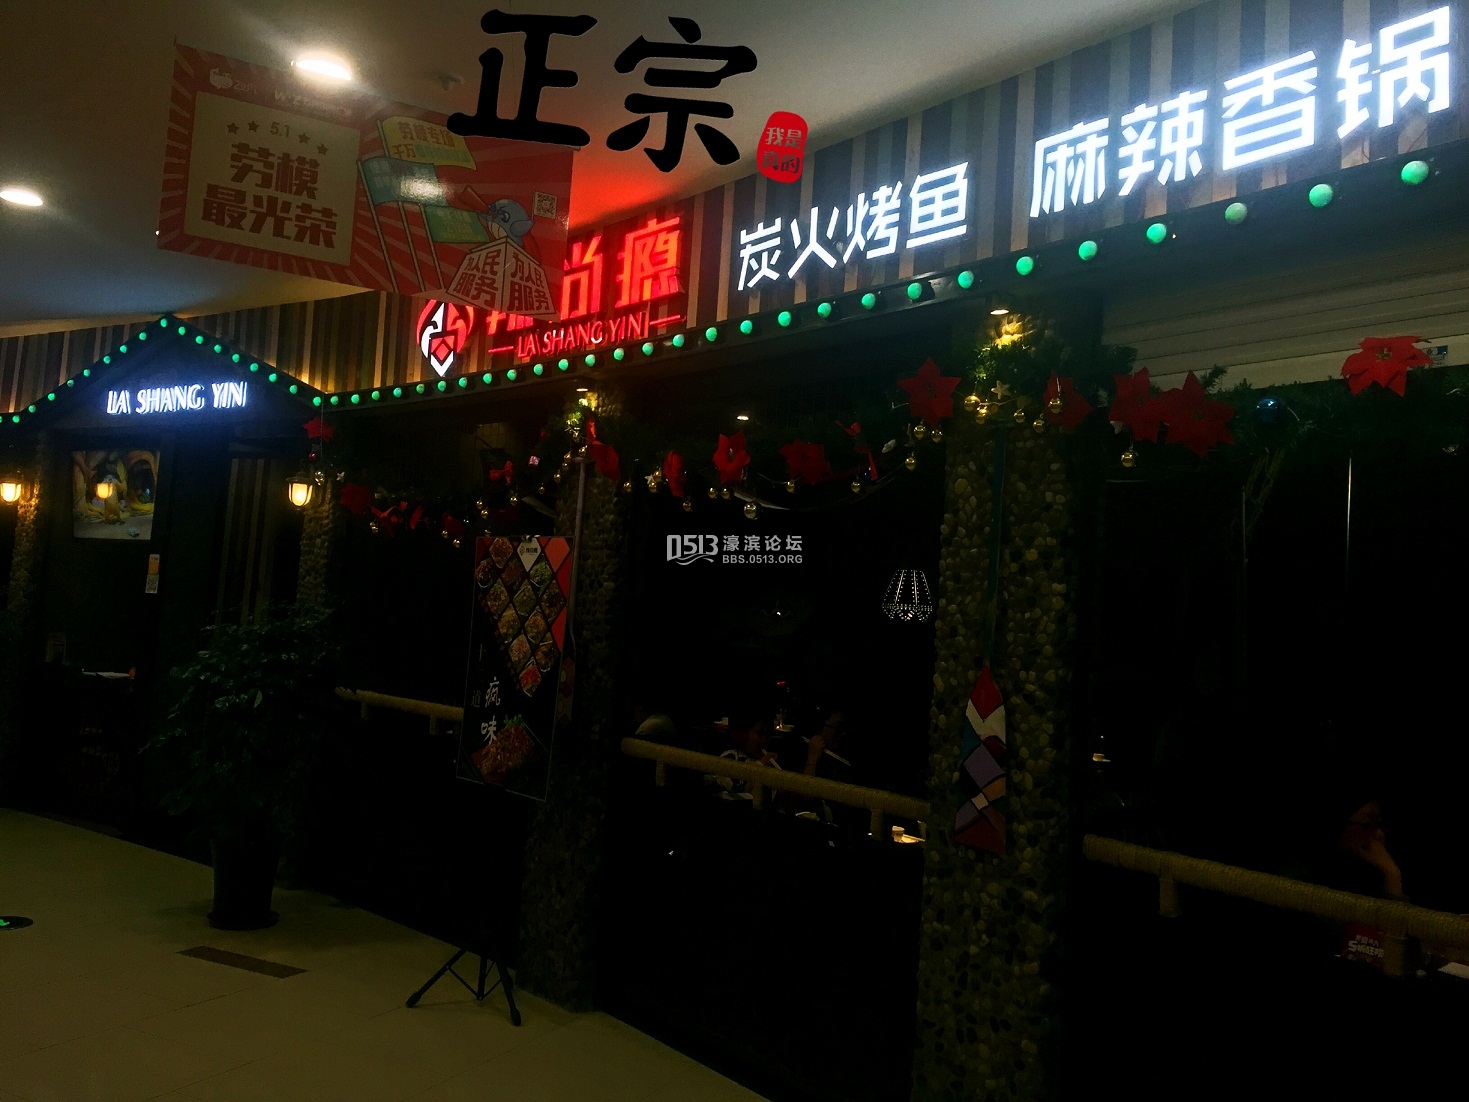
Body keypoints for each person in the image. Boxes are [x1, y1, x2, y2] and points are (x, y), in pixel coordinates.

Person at [706, 707, 779, 800]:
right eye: (759, 733)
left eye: (768, 735)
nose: (764, 740)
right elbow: (737, 789)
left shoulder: (769, 762)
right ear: (745, 733)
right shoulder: (729, 757)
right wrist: (761, 765)